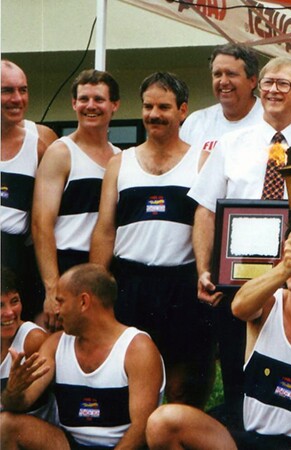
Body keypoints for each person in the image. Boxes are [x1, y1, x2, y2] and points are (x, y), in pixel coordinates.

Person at [188, 57, 291, 425]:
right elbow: (206, 210)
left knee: (282, 373)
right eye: (268, 82)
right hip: (236, 278)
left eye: (283, 84)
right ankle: (240, 435)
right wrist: (204, 269)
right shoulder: (230, 143)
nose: (272, 90)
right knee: (238, 370)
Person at [145, 216, 291, 450]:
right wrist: (284, 269)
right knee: (162, 422)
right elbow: (239, 307)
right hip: (248, 439)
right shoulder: (268, 305)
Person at [89, 72, 213, 408]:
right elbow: (104, 228)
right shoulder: (120, 163)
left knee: (179, 388)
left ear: (182, 110)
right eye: (147, 106)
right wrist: (96, 286)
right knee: (129, 383)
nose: (153, 114)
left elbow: (207, 224)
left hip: (181, 285)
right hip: (130, 283)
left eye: (163, 106)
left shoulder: (201, 161)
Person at [0, 263, 164, 450]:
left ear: (84, 302)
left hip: (121, 446)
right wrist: (12, 393)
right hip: (70, 444)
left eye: (61, 301)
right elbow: (22, 402)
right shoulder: (55, 344)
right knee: (5, 425)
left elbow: (142, 428)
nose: (56, 311)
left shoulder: (137, 348)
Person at [31, 69, 122, 332]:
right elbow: (41, 224)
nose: (90, 106)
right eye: (83, 99)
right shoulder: (61, 152)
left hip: (104, 268)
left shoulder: (120, 157)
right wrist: (52, 288)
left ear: (114, 105)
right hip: (65, 265)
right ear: (73, 104)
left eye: (98, 99)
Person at [1, 60, 58, 319]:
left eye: (22, 90)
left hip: (17, 259)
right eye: (7, 91)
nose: (17, 99)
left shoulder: (42, 140)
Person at [180, 44, 264, 168]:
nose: (223, 82)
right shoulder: (195, 122)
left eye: (231, 74)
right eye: (217, 74)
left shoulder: (273, 120)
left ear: (252, 81)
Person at [0, 267, 55, 423]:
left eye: (14, 301)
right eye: (0, 305)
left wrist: (12, 391)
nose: (10, 312)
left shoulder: (33, 339)